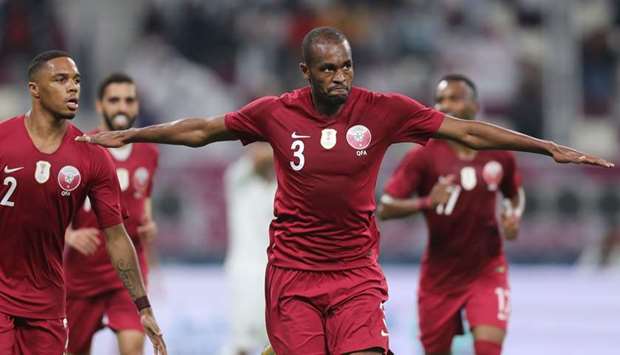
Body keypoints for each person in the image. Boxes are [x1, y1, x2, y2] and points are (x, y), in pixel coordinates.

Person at [77, 27, 612, 355]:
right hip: (293, 274)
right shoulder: (275, 113)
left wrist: (547, 147)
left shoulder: (383, 109)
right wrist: (135, 131)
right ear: (306, 71)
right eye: (328, 69)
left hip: (356, 272)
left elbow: (467, 130)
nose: (340, 77)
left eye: (347, 66)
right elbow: (200, 130)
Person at [0, 50, 166, 355]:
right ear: (34, 89)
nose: (73, 87)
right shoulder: (3, 140)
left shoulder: (91, 157)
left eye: (76, 80)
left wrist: (143, 307)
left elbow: (116, 236)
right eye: (61, 79)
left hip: (48, 303)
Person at [378, 74, 525, 355]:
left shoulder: (499, 153)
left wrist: (513, 213)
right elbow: (386, 206)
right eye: (440, 100)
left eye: (454, 98)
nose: (444, 105)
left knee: (488, 348)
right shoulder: (422, 156)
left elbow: (514, 192)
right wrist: (426, 202)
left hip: (487, 270)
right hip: (440, 276)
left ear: (474, 105)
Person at [63, 73, 160, 355]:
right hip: (82, 276)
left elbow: (145, 201)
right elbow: (56, 204)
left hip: (128, 278)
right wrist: (70, 234)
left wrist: (150, 226)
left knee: (133, 347)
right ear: (100, 104)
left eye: (128, 100)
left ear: (137, 106)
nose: (122, 107)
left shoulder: (149, 152)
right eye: (114, 100)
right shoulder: (82, 147)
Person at [222, 142, 276, 355]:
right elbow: (259, 159)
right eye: (258, 145)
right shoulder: (238, 179)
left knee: (274, 344)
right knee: (241, 345)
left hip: (276, 274)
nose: (261, 151)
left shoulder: (283, 188)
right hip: (244, 272)